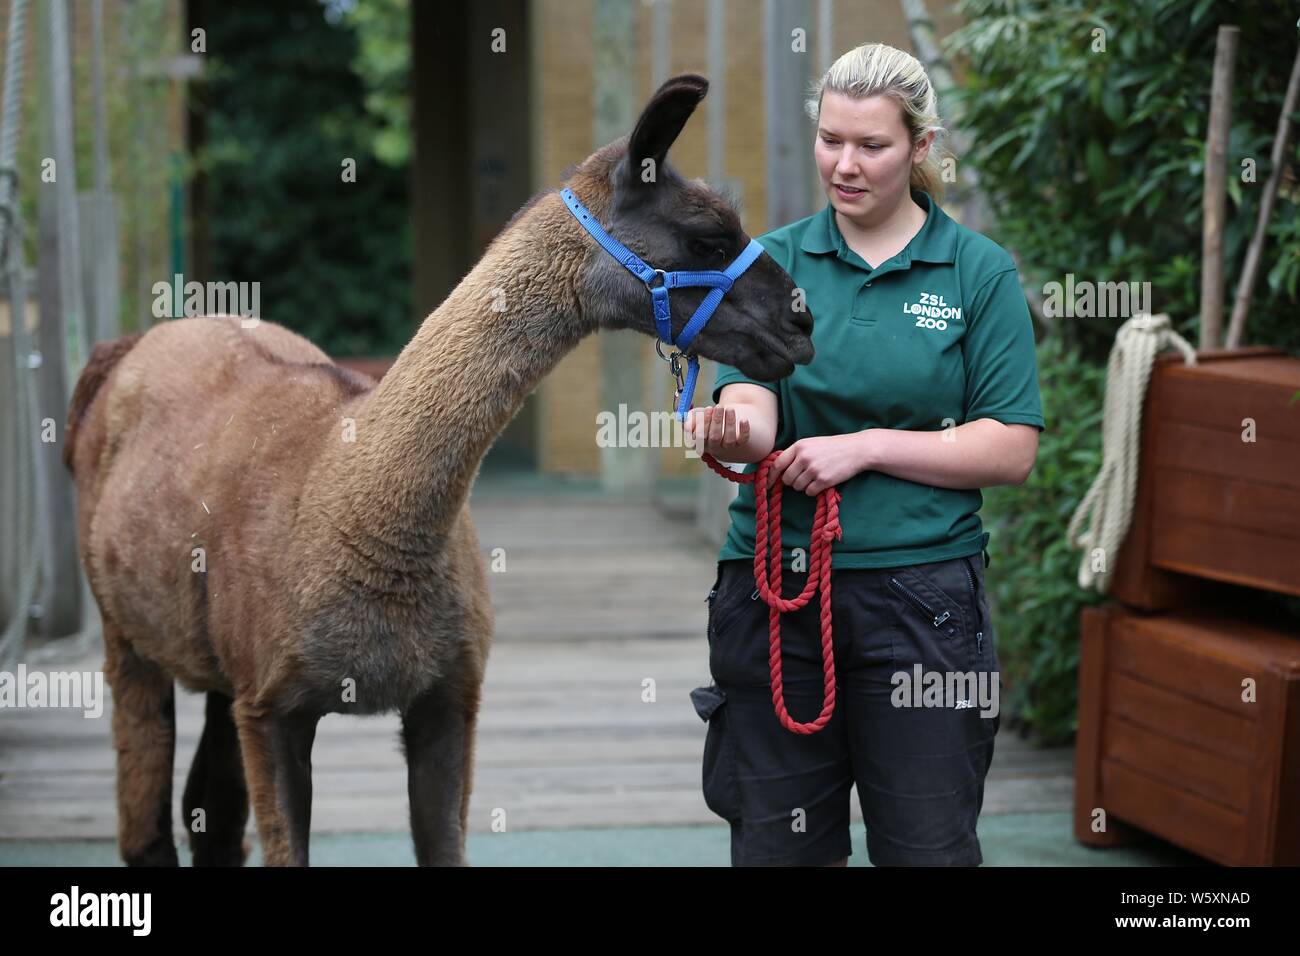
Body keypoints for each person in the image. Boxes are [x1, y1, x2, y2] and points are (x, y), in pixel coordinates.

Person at [684, 42, 1044, 867]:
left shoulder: (975, 272)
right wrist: (725, 426)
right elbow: (755, 413)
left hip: (923, 608)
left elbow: (1011, 446)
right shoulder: (768, 262)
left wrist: (867, 449)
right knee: (781, 852)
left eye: (871, 146)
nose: (844, 165)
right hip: (776, 593)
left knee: (927, 850)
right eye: (830, 140)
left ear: (919, 149)